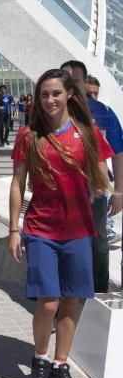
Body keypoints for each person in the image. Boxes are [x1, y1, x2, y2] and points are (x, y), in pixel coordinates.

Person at [9, 69, 113, 378]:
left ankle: (60, 364)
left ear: (69, 94)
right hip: (41, 230)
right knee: (48, 302)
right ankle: (40, 361)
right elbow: (17, 183)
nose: (50, 100)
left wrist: (104, 186)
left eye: (55, 93)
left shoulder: (88, 133)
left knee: (71, 301)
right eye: (44, 94)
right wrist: (14, 228)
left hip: (78, 231)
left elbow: (102, 175)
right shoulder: (29, 135)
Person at [60, 60, 123, 293]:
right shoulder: (51, 112)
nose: (70, 86)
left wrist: (118, 191)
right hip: (61, 192)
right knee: (64, 242)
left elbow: (118, 153)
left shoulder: (103, 114)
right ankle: (65, 295)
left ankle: (98, 291)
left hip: (93, 191)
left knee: (98, 242)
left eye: (75, 80)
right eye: (65, 80)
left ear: (84, 82)